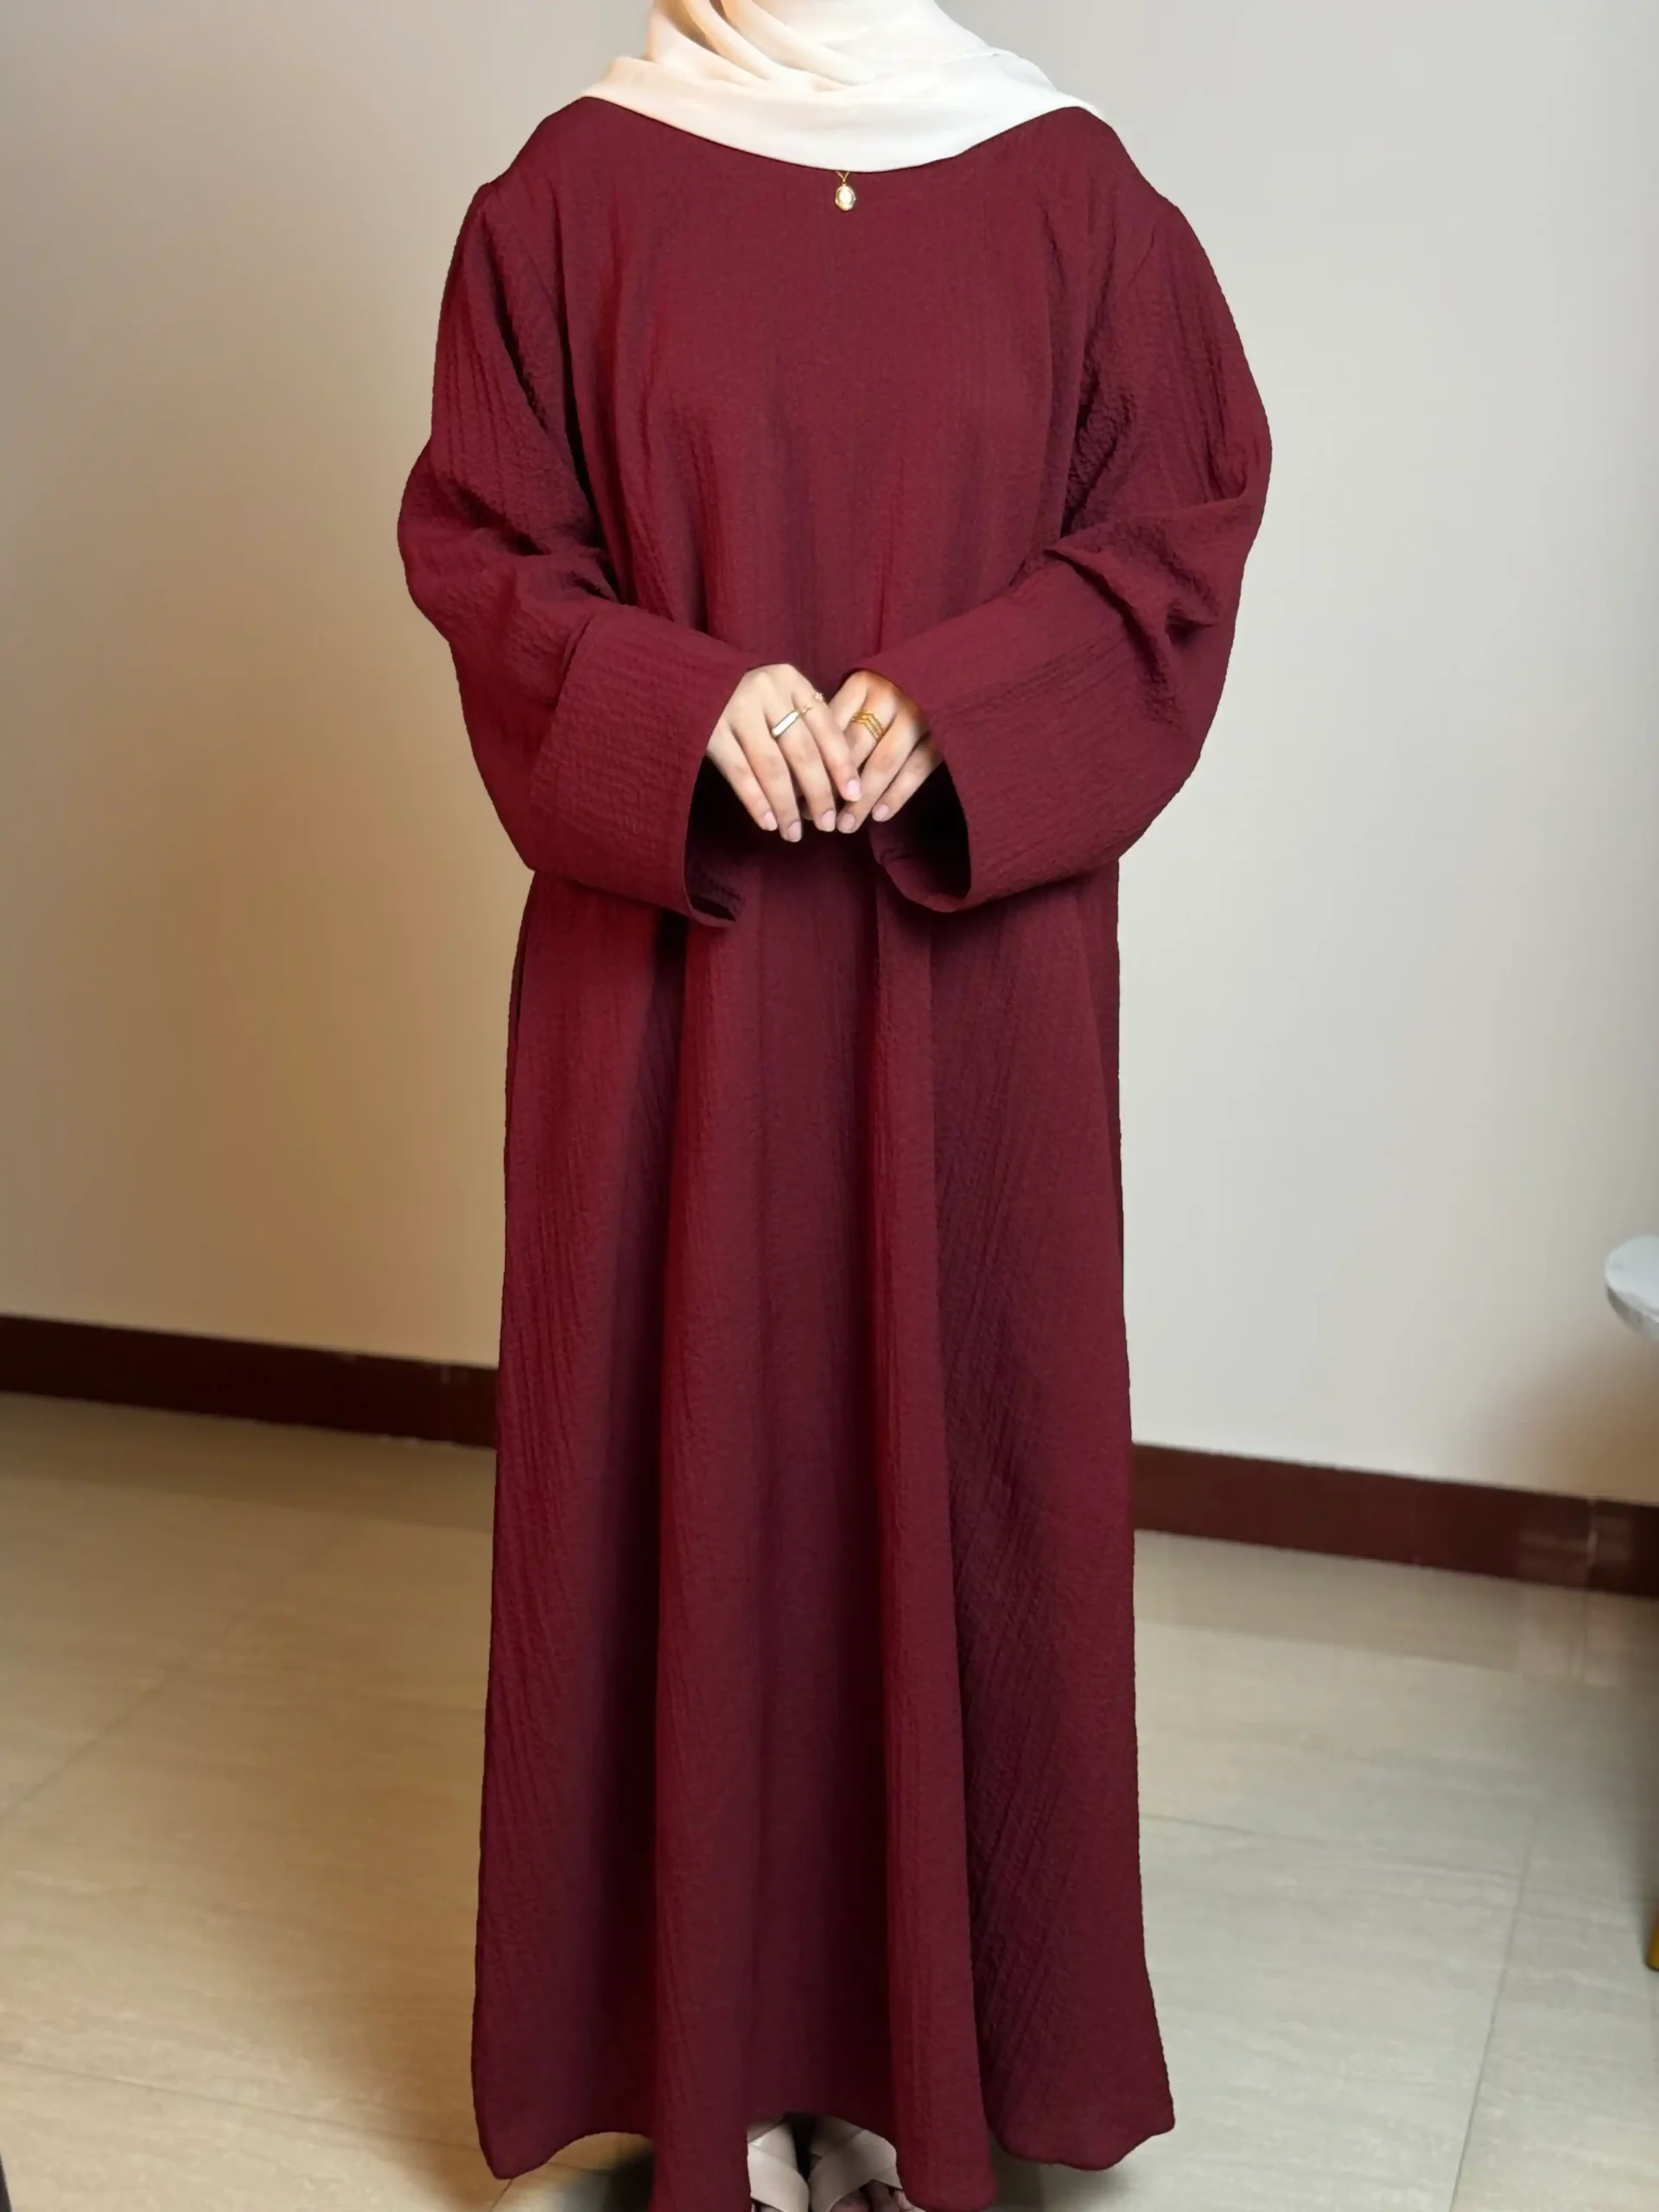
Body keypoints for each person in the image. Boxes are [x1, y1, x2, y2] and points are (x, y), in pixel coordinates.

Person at [397, 6, 1272, 2211]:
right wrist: (681, 703)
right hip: (670, 981)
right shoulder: (569, 195)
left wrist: (956, 700)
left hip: (968, 988)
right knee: (689, 1452)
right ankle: (713, 2067)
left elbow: (1175, 535)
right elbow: (489, 553)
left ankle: (916, 2066)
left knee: (966, 1453)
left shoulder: (1073, 193)